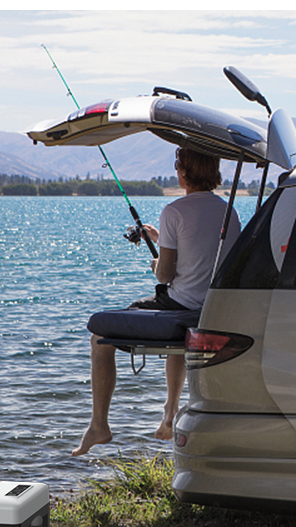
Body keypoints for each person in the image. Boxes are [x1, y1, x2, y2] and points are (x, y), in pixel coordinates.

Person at [73, 148, 240, 456]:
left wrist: (158, 259)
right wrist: (161, 237)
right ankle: (170, 410)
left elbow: (164, 275)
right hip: (213, 310)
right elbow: (202, 254)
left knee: (99, 332)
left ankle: (99, 425)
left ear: (183, 172)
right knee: (171, 319)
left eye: (178, 167)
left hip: (180, 310)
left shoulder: (174, 211)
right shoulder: (230, 212)